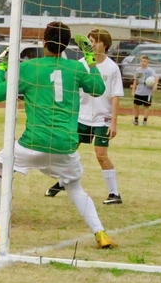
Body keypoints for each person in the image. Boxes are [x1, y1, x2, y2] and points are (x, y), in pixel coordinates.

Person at [0, 22, 117, 249]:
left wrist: (2, 66)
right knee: (76, 189)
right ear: (67, 44)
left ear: (44, 43)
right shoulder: (76, 68)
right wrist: (89, 57)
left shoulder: (30, 67)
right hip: (65, 146)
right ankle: (101, 233)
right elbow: (99, 88)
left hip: (31, 143)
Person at [45, 28, 125, 205]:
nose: (92, 44)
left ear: (105, 44)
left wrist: (114, 122)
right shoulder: (81, 64)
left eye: (95, 41)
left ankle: (114, 194)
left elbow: (116, 96)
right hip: (80, 117)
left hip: (102, 120)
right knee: (69, 151)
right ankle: (61, 182)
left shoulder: (112, 68)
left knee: (101, 154)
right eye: (89, 41)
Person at [131, 55, 157, 126]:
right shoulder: (138, 70)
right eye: (142, 61)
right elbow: (135, 81)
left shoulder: (150, 71)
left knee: (146, 106)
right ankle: (136, 120)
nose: (143, 62)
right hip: (139, 91)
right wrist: (133, 90)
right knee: (135, 105)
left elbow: (156, 77)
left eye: (145, 61)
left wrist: (155, 85)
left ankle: (144, 121)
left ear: (147, 62)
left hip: (147, 92)